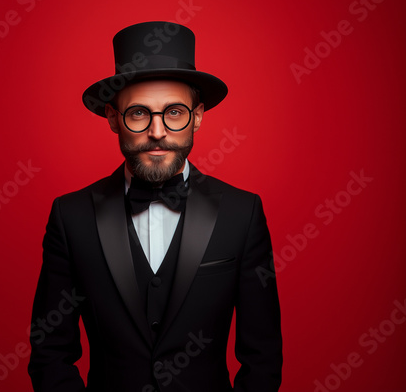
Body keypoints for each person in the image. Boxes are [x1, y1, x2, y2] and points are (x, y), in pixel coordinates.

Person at [28, 21, 282, 391]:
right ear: (113, 118)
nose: (158, 131)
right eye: (138, 113)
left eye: (175, 112)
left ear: (197, 117)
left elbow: (263, 358)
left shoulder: (242, 214)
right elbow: (50, 352)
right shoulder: (71, 217)